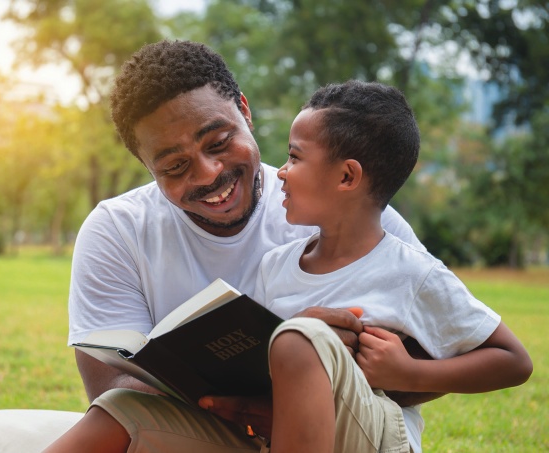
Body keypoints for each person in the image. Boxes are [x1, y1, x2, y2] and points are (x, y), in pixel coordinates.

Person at [45, 41, 433, 453]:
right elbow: (112, 389)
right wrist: (249, 403)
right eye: (175, 166)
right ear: (147, 166)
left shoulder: (351, 210)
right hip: (212, 435)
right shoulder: (116, 230)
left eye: (218, 142)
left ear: (244, 111)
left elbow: (440, 358)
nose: (209, 174)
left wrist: (311, 376)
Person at [253, 80, 532, 452]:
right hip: (279, 432)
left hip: (376, 434)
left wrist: (409, 373)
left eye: (295, 157)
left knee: (300, 341)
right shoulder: (274, 266)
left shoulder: (409, 272)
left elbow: (514, 360)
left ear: (346, 176)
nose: (282, 172)